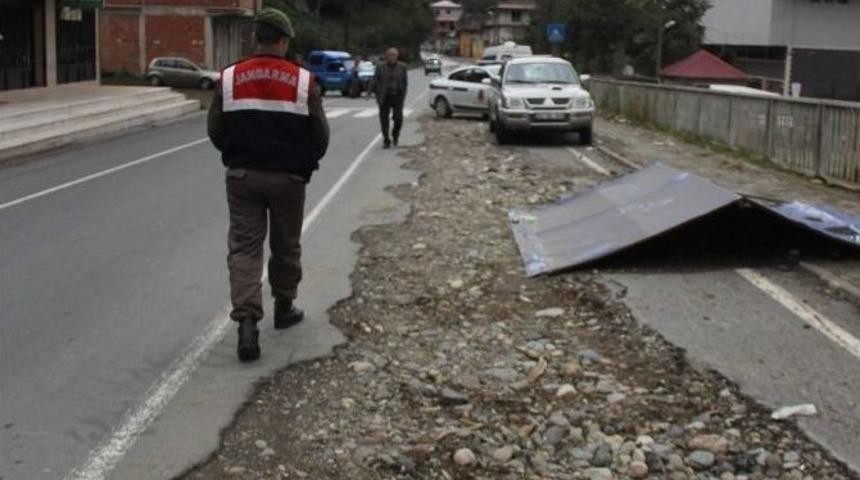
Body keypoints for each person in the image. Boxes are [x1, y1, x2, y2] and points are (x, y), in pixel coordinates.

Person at [207, 7, 330, 362]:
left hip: (243, 176)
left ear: (254, 38)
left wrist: (236, 153)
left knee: (245, 248)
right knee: (285, 243)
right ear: (284, 41)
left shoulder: (229, 77)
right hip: (289, 178)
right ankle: (285, 306)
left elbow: (216, 131)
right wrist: (304, 161)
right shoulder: (303, 81)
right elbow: (319, 134)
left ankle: (247, 324)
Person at [370, 47, 408, 148]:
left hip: (397, 97)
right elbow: (374, 80)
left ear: (397, 56)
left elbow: (404, 82)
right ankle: (386, 139)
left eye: (394, 55)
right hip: (384, 97)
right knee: (384, 120)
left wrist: (403, 94)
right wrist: (371, 92)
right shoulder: (380, 67)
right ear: (386, 56)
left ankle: (395, 135)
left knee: (398, 118)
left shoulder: (402, 67)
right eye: (390, 55)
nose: (392, 57)